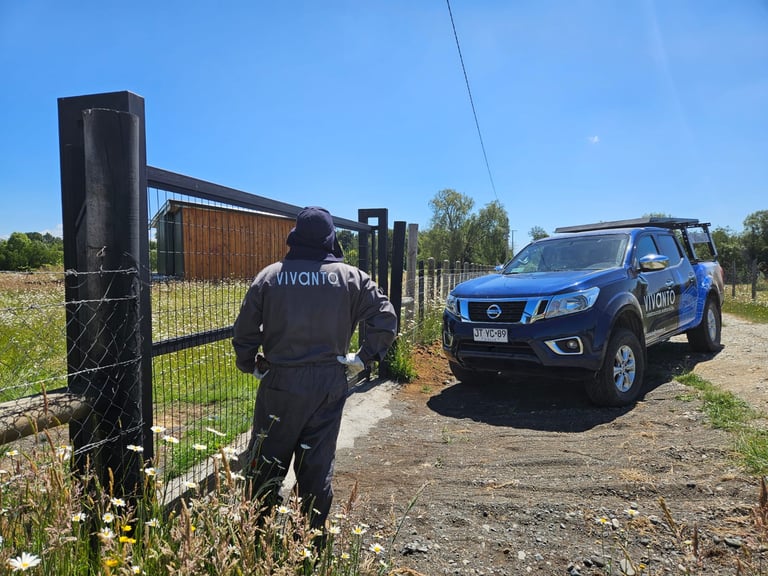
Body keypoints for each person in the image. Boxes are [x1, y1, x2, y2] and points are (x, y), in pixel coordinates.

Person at [232, 206, 397, 530]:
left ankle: (256, 538)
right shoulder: (352, 277)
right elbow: (385, 317)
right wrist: (363, 357)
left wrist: (249, 363)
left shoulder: (270, 276)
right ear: (330, 237)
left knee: (267, 462)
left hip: (279, 382)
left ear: (295, 235)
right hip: (328, 383)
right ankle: (309, 540)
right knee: (317, 466)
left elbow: (244, 330)